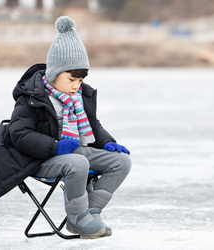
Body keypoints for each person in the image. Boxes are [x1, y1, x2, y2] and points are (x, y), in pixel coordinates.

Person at [8, 16, 132, 239]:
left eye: (81, 80)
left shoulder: (79, 96)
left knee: (122, 162)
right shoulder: (32, 97)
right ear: (55, 73)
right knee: (78, 162)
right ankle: (76, 219)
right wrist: (55, 146)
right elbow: (19, 135)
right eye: (72, 79)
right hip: (39, 159)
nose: (76, 85)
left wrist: (107, 142)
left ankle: (90, 213)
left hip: (74, 154)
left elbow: (93, 125)